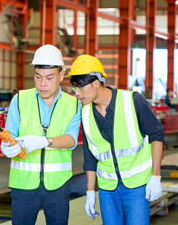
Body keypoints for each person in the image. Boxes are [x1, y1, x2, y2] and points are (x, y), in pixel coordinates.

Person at [66, 54, 164, 224]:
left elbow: (156, 134)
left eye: (80, 88)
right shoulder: (85, 112)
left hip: (137, 186)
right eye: (75, 89)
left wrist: (156, 176)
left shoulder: (132, 101)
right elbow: (90, 155)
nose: (77, 93)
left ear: (96, 83)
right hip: (107, 189)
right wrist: (90, 191)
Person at [0, 44, 81, 225]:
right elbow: (10, 134)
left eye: (49, 77)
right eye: (38, 77)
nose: (42, 84)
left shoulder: (73, 105)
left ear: (61, 75)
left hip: (58, 185)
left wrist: (45, 141)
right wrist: (6, 147)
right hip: (23, 185)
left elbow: (71, 139)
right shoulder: (19, 99)